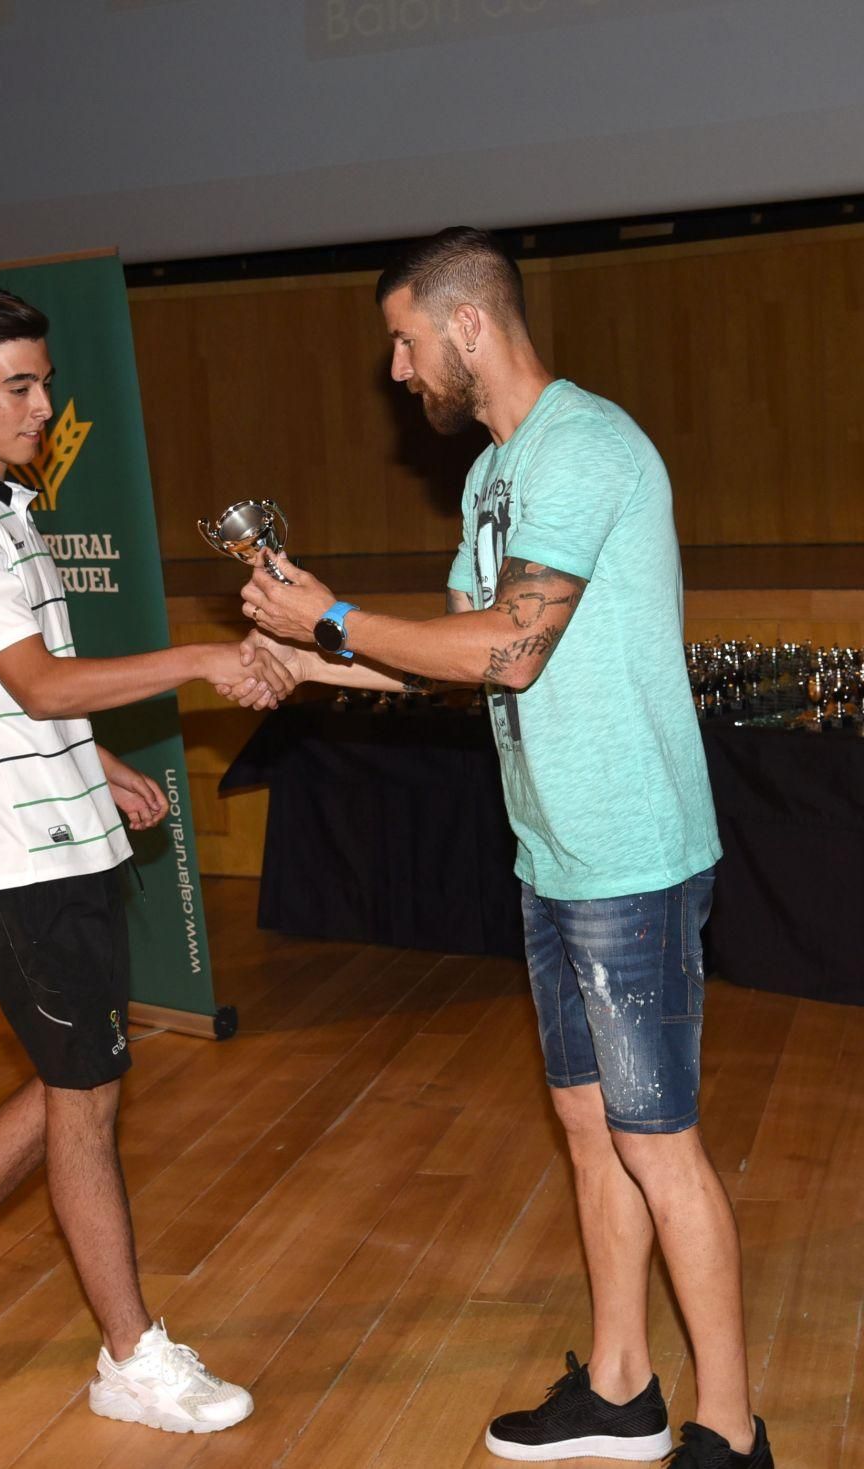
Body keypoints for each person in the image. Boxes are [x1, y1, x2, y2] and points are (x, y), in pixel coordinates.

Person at [236, 229, 772, 1468]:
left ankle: (734, 1431)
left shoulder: (583, 447)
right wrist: (300, 656)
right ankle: (624, 1386)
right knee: (589, 1129)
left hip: (630, 850)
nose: (396, 367)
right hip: (553, 853)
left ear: (468, 326)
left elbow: (508, 649)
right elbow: (454, 658)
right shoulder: (497, 475)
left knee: (657, 1141)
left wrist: (332, 612)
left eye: (404, 339)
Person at [0, 288, 290, 1436]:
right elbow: (38, 682)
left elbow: (2, 686)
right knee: (88, 1096)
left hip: (65, 834)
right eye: (19, 385)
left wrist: (94, 761)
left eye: (44, 381)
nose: (43, 404)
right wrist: (203, 654)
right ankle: (129, 1357)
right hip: (14, 861)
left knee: (76, 1076)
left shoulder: (1, 507)